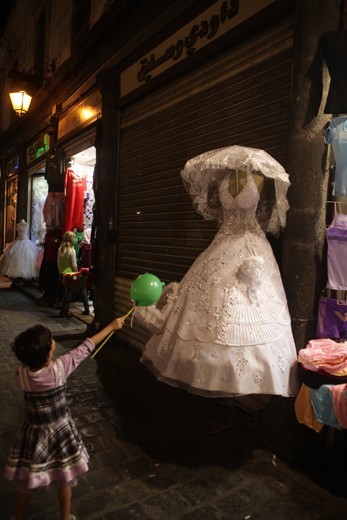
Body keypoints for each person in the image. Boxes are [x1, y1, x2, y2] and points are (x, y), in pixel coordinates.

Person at [135, 145, 299, 398]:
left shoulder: (259, 178)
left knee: (245, 304)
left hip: (250, 243)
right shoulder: (223, 179)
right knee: (206, 301)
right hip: (222, 242)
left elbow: (267, 217)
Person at [3, 315, 126, 520]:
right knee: (65, 479)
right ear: (48, 353)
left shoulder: (21, 374)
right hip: (60, 433)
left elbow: (30, 370)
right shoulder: (60, 368)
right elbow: (87, 346)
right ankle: (64, 517)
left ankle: (18, 516)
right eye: (51, 341)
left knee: (26, 481)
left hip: (33, 434)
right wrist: (112, 326)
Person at [57, 231, 89, 318]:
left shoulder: (60, 249)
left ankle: (64, 311)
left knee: (66, 293)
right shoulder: (72, 251)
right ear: (71, 239)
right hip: (71, 274)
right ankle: (64, 312)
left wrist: (60, 272)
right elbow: (74, 264)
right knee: (79, 289)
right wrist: (78, 273)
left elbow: (58, 263)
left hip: (62, 274)